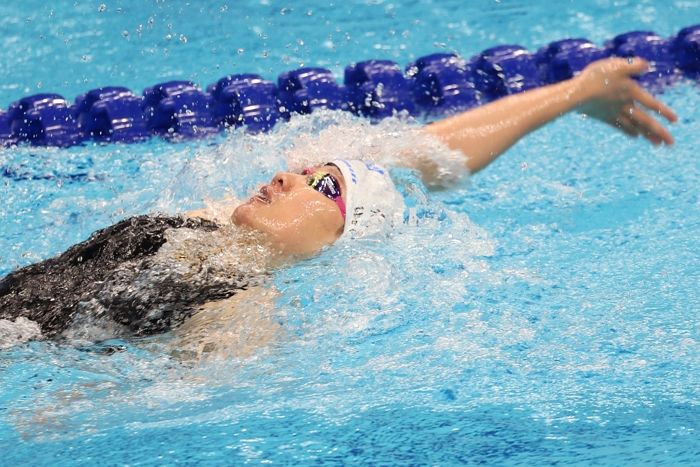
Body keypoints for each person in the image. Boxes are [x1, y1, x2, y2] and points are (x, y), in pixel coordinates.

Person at [0, 57, 677, 344]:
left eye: (323, 186)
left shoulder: (240, 314)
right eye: (304, 169)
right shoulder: (204, 218)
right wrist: (573, 92)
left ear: (336, 240)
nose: (288, 177)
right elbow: (430, 151)